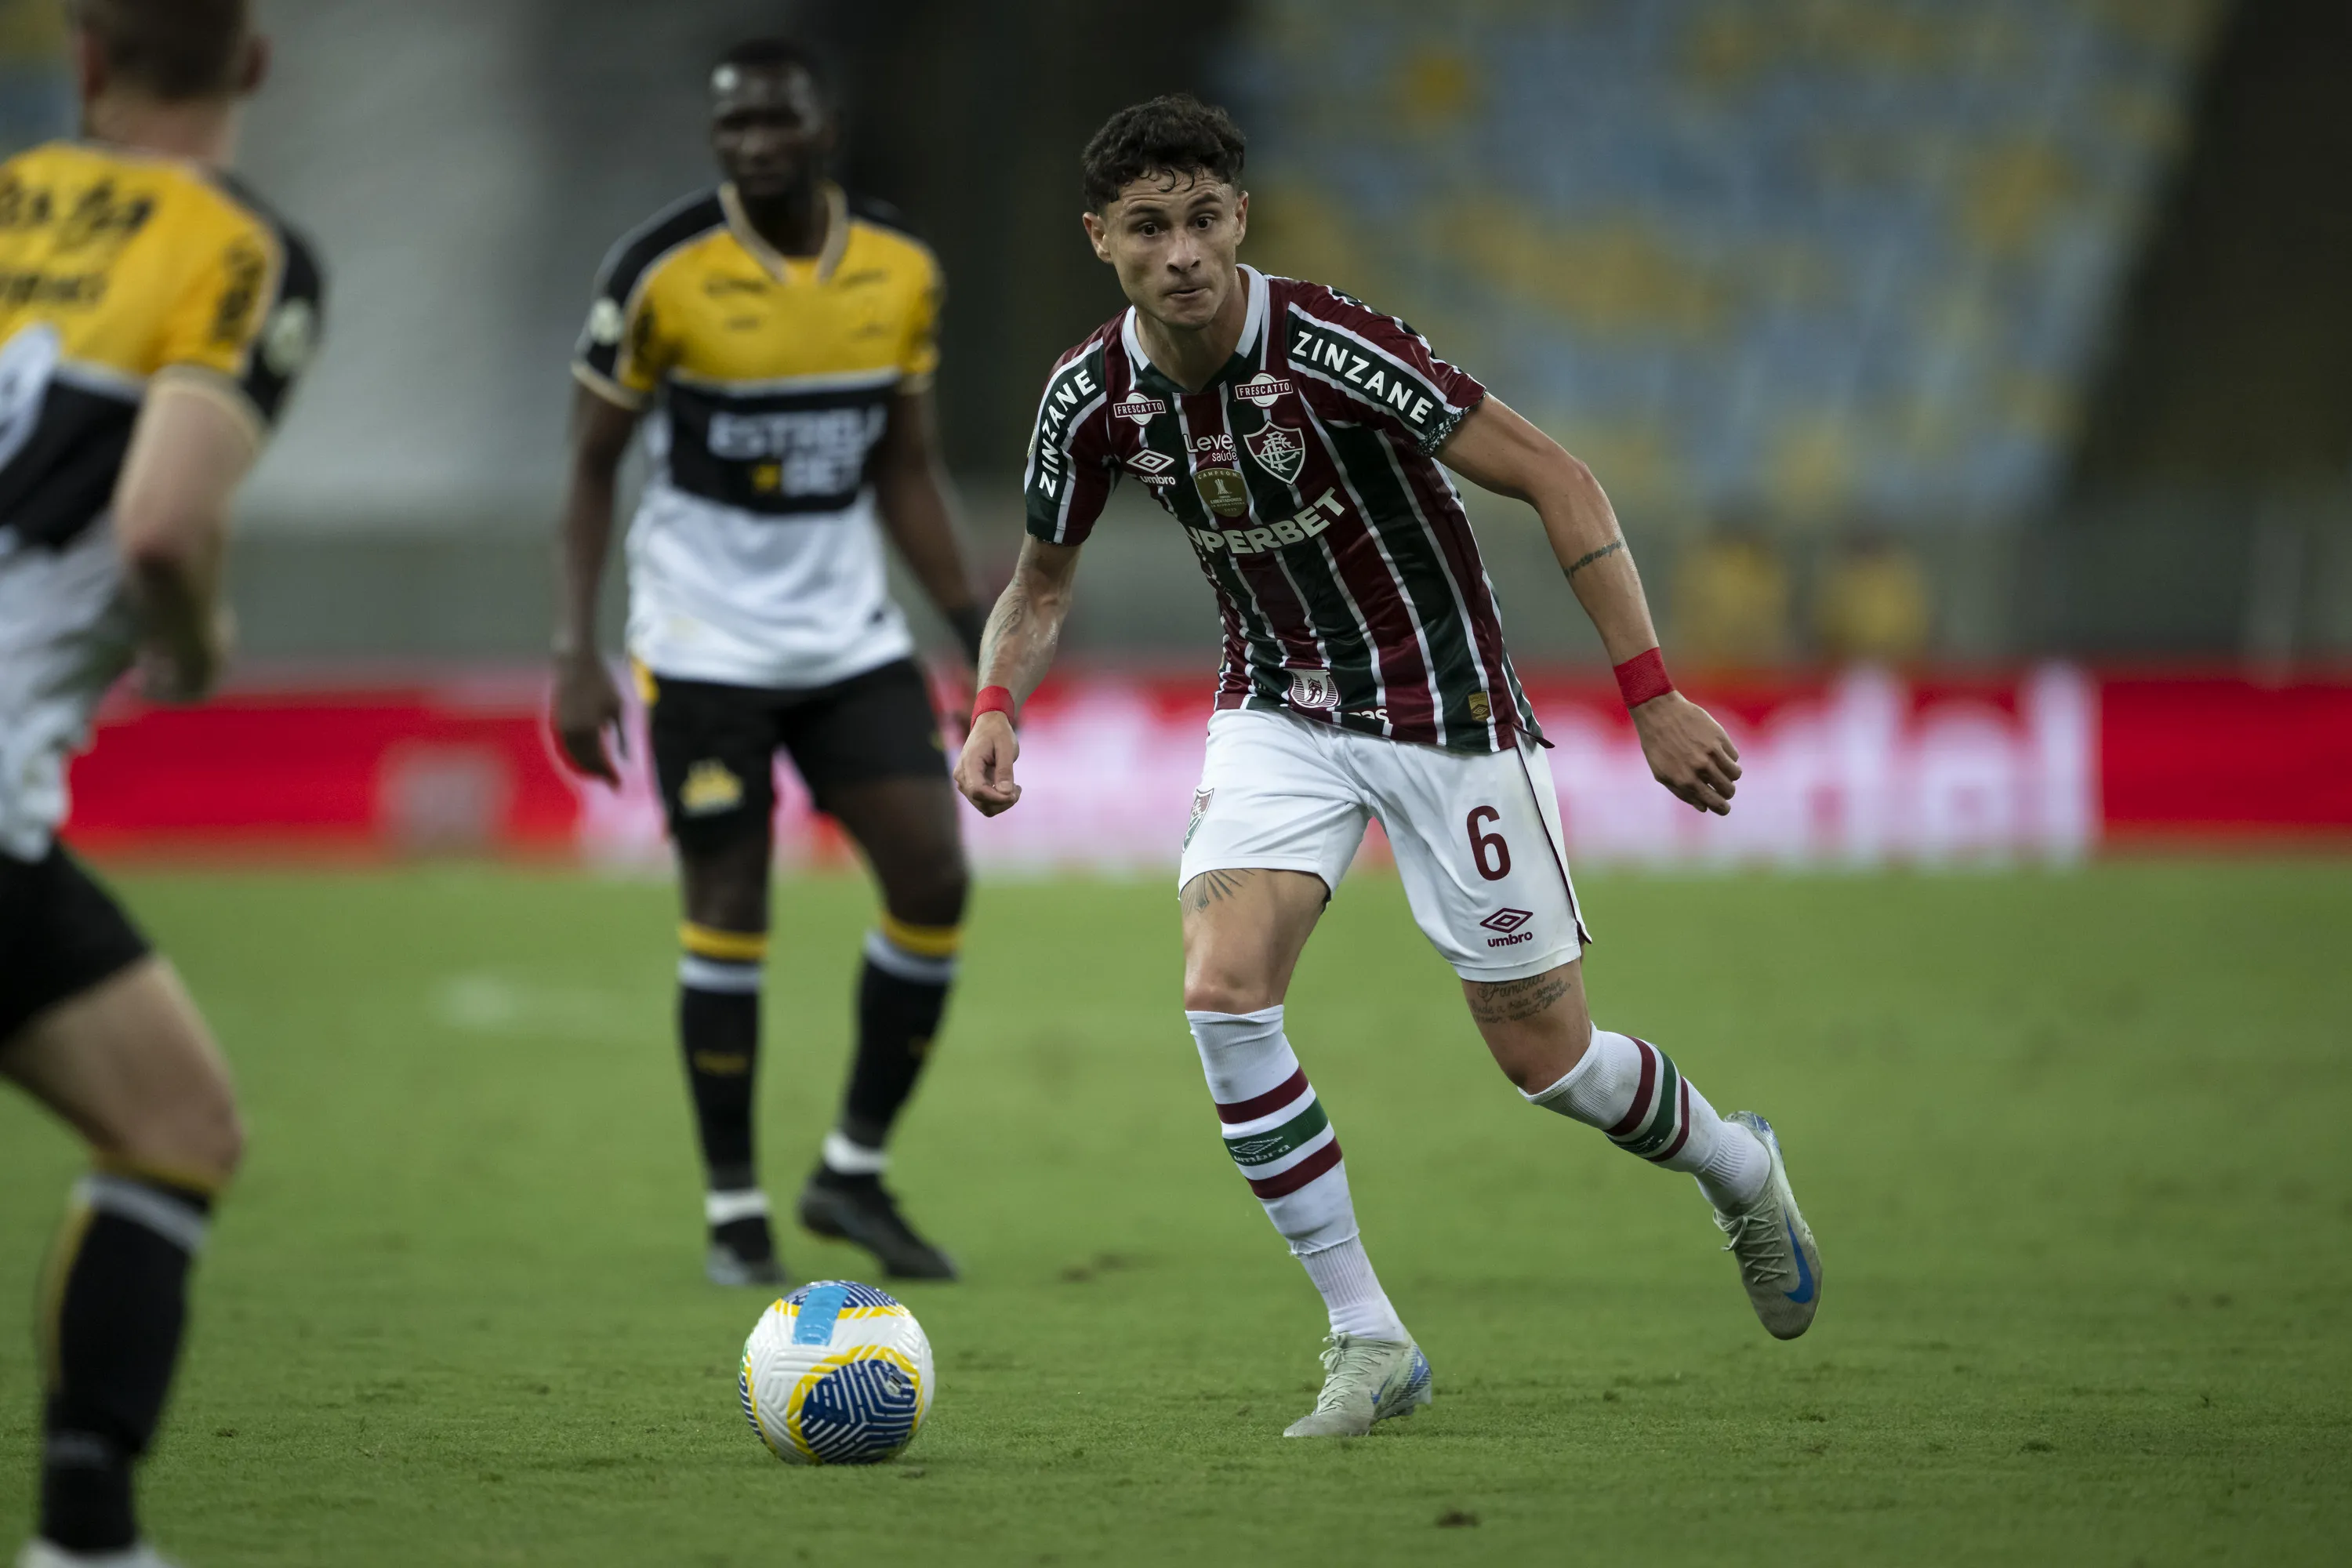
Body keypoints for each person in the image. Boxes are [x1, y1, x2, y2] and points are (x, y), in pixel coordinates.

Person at [956, 96, 1824, 1439]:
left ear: (1238, 218)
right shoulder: (1091, 401)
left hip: (1451, 712)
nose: (1181, 252)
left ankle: (1737, 1166)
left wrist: (1649, 695)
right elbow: (1039, 580)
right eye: (1148, 228)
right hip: (1279, 713)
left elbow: (1560, 478)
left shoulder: (1334, 347)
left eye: (1202, 220)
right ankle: (1368, 1336)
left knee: (1550, 1061)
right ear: (1102, 240)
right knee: (1221, 988)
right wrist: (996, 700)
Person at [552, 39, 982, 1287]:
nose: (752, 145)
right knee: (731, 906)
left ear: (824, 127)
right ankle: (735, 1208)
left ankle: (850, 1173)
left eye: (774, 122)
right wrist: (573, 654)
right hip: (701, 650)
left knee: (933, 875)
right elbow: (588, 468)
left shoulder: (900, 270)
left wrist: (971, 617)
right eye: (731, 127)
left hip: (847, 639)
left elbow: (903, 460)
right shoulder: (660, 271)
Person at [0, 2, 324, 1560]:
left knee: (176, 1113)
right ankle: (85, 1532)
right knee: (176, 1128)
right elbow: (158, 528)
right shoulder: (236, 252)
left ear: (82, 66)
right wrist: (191, 649)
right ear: (252, 66)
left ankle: (89, 1535)